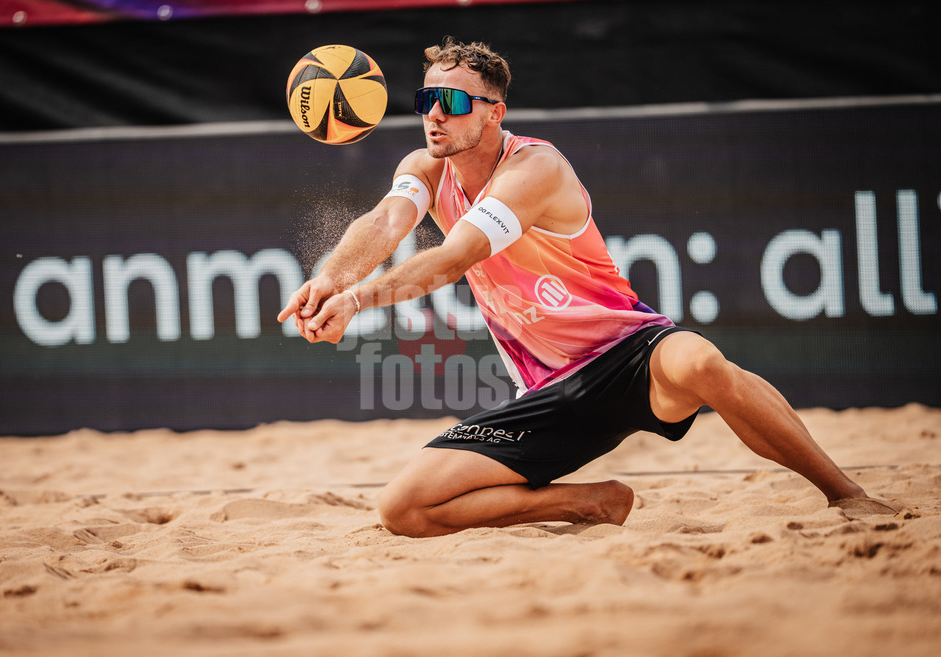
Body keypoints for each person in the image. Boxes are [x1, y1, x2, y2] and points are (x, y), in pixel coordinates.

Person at [277, 37, 896, 538]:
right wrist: (328, 280)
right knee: (402, 509)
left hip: (629, 353)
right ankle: (591, 503)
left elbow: (455, 256)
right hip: (550, 389)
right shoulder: (423, 167)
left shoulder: (535, 167)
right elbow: (386, 223)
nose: (434, 113)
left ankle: (846, 494)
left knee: (703, 360)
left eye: (452, 100)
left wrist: (358, 300)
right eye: (425, 98)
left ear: (494, 111)